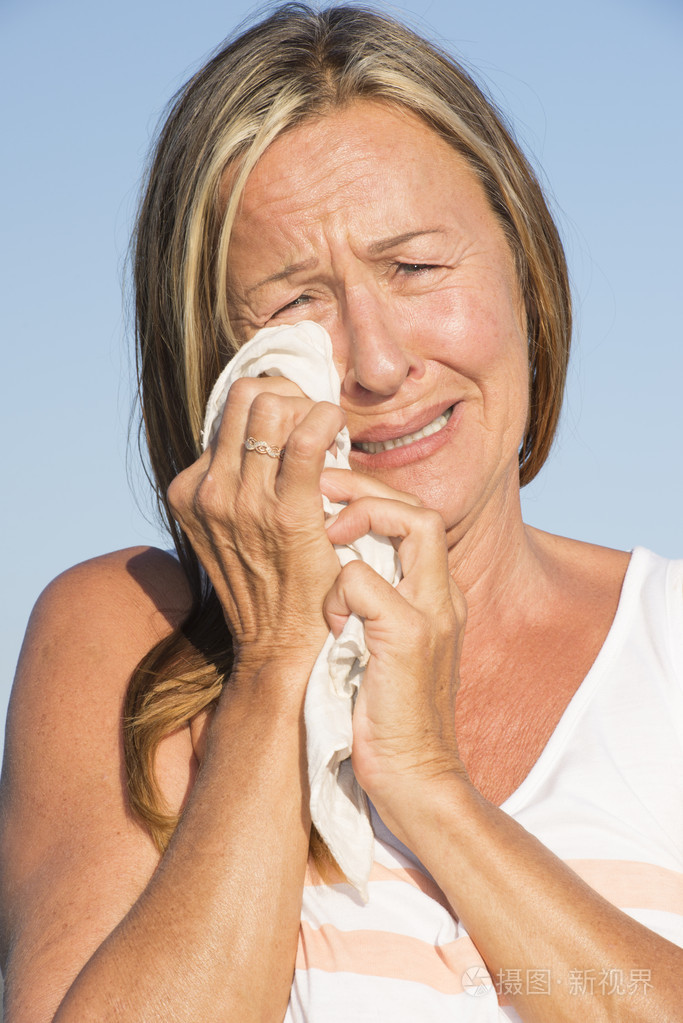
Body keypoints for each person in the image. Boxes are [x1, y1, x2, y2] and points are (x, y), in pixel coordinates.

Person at [1, 4, 681, 1020]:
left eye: (414, 268)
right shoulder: (123, 635)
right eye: (295, 306)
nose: (374, 363)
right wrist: (274, 669)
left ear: (520, 269)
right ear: (217, 366)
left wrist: (427, 788)